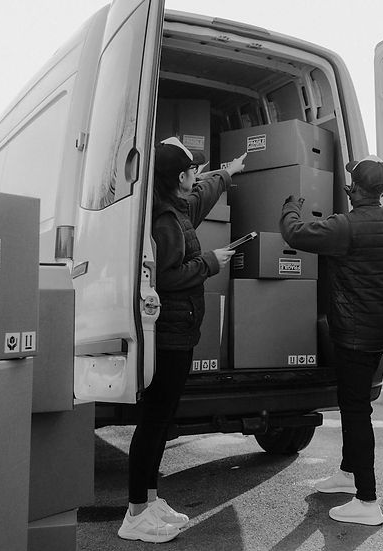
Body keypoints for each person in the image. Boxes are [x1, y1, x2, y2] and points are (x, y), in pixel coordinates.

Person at [118, 137, 246, 543]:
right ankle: (135, 512)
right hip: (169, 334)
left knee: (162, 418)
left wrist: (228, 172)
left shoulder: (177, 208)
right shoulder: (165, 222)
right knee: (154, 421)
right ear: (179, 177)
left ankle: (151, 500)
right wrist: (211, 262)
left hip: (180, 330)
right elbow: (167, 276)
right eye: (193, 170)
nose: (197, 176)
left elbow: (205, 190)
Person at [279, 154, 383, 526]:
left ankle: (367, 500)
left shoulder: (348, 227)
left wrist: (290, 207)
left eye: (351, 182)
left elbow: (295, 234)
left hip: (353, 332)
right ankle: (348, 474)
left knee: (355, 410)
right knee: (355, 404)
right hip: (376, 329)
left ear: (354, 190)